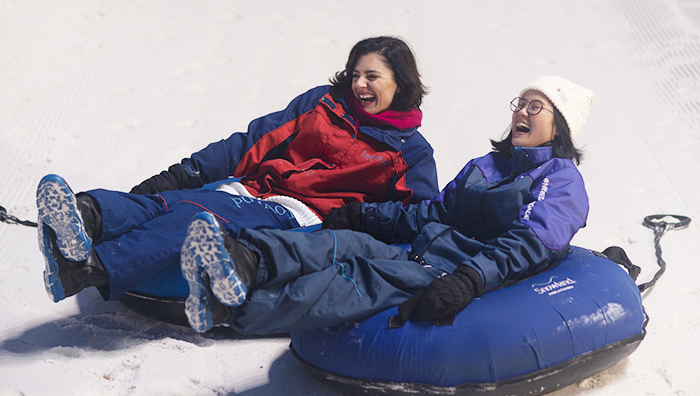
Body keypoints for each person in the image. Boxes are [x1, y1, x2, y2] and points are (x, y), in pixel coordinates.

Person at [36, 36, 439, 304]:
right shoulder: (323, 104)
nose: (359, 86)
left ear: (399, 82)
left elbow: (416, 216)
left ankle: (88, 269)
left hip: (298, 217)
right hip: (251, 190)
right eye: (355, 75)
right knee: (167, 201)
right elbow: (253, 141)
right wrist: (184, 173)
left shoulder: (412, 154)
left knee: (192, 217)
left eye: (372, 77)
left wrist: (358, 217)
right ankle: (84, 215)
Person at [178, 75, 594, 334]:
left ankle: (230, 310)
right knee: (336, 243)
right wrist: (367, 216)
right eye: (519, 103)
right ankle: (240, 259)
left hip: (447, 269)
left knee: (347, 281)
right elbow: (435, 211)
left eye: (534, 106)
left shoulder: (560, 181)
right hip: (418, 247)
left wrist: (468, 280)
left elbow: (529, 243)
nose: (521, 111)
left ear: (560, 124)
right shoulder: (487, 165)